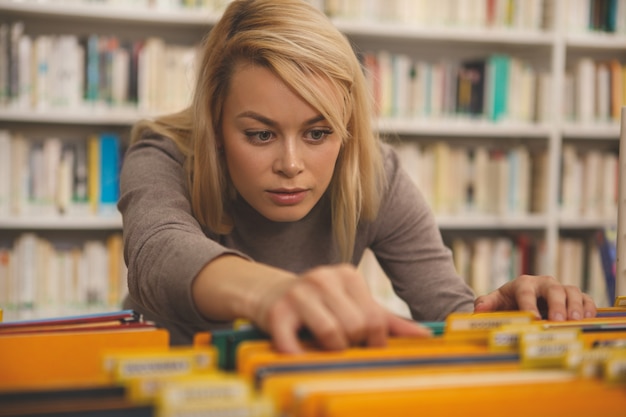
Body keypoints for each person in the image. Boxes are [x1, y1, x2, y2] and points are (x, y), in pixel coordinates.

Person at [118, 0, 597, 353]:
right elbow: (157, 252)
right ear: (216, 125)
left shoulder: (374, 173)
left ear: (346, 129)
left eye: (318, 133)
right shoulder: (162, 156)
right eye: (261, 135)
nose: (290, 164)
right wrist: (272, 292)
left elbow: (448, 311)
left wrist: (502, 314)